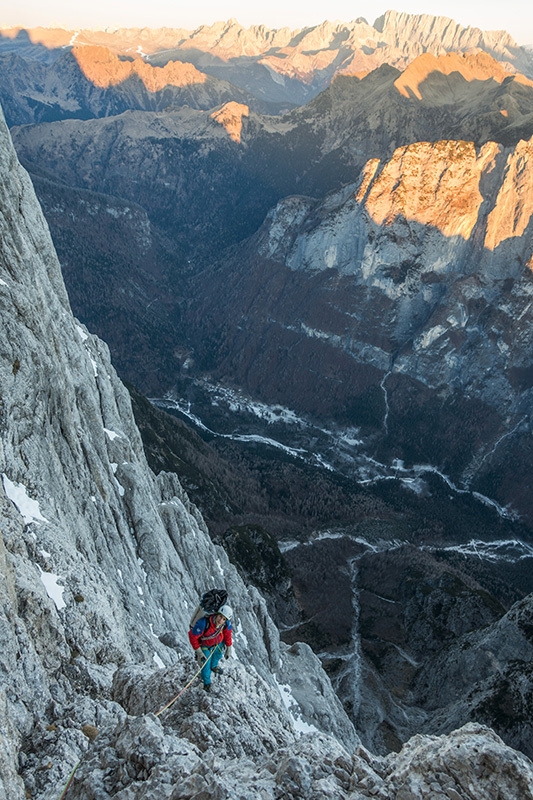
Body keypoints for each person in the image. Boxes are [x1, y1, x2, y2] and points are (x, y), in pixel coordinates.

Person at [188, 604, 233, 692]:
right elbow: (192, 637)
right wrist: (199, 652)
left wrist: (229, 647)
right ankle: (207, 683)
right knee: (205, 665)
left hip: (217, 643)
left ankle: (214, 666)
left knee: (218, 654)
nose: (220, 620)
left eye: (224, 619)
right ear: (217, 614)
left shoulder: (226, 625)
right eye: (220, 616)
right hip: (204, 646)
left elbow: (228, 635)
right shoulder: (204, 623)